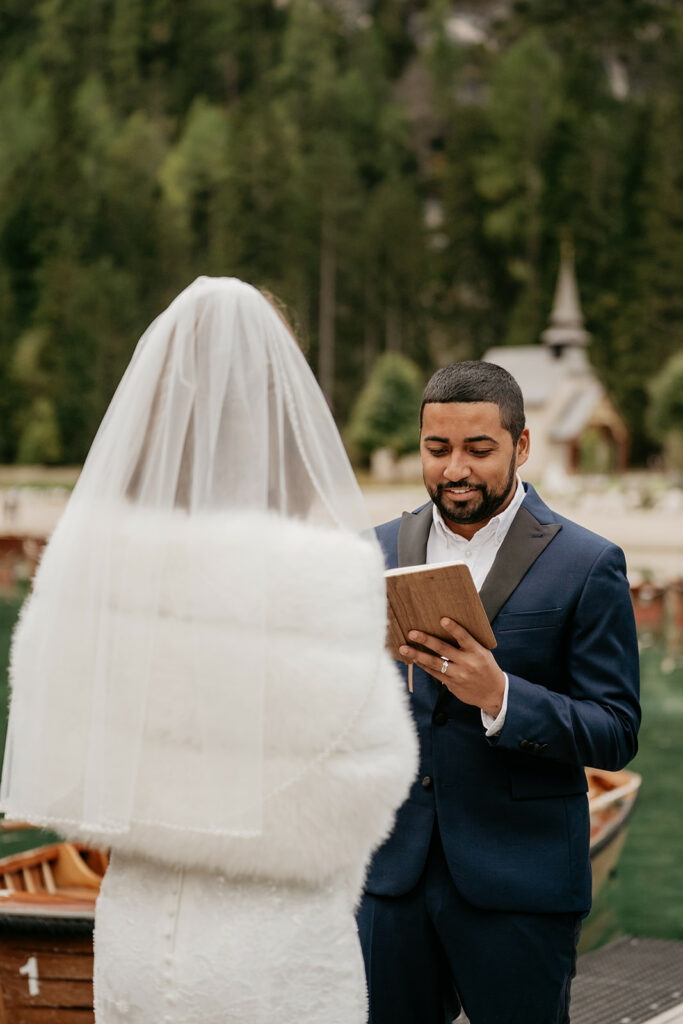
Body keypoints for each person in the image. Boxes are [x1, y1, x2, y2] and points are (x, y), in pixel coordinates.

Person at [0, 276, 418, 1024]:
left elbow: (56, 750)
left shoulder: (92, 566)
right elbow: (369, 784)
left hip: (130, 932)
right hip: (271, 951)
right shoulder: (321, 576)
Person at [357, 361, 641, 1024]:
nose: (455, 468)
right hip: (388, 879)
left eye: (478, 450)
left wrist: (501, 697)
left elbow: (616, 729)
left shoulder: (587, 562)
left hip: (521, 884)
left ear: (519, 446)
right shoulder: (371, 552)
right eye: (437, 449)